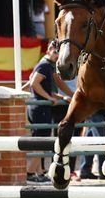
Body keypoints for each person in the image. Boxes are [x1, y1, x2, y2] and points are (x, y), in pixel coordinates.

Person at [27, 42, 74, 183]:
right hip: (39, 109)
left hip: (41, 109)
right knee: (41, 143)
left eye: (59, 52)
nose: (57, 55)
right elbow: (34, 83)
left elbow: (48, 89)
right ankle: (29, 173)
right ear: (48, 51)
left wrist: (62, 97)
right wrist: (49, 98)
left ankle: (39, 173)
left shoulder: (49, 66)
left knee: (39, 142)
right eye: (54, 52)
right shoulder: (45, 65)